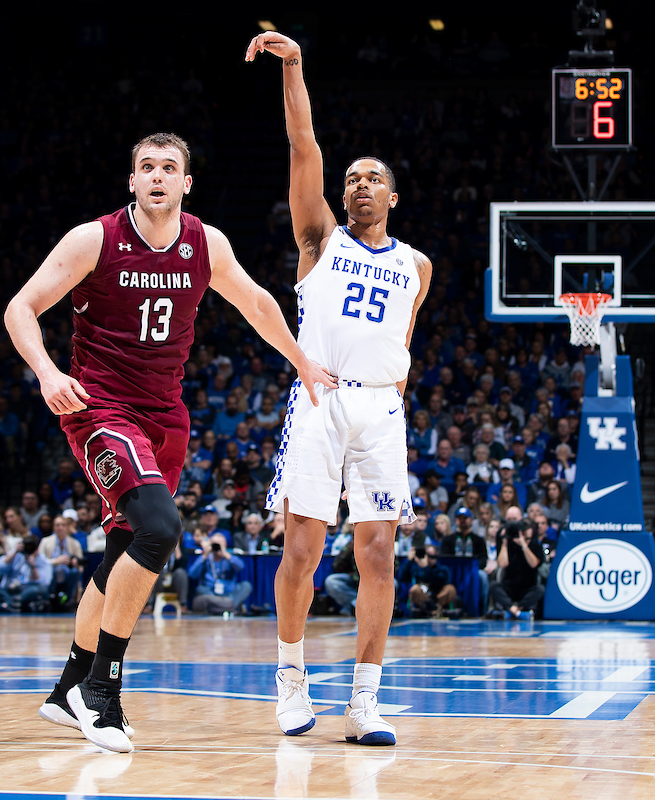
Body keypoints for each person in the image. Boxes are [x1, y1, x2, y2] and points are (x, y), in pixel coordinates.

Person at [5, 131, 331, 754]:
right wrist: (49, 373)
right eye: (146, 167)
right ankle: (103, 692)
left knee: (125, 549)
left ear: (186, 183)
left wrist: (301, 361)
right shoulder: (94, 239)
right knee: (159, 528)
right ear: (132, 181)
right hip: (100, 408)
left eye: (169, 168)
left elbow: (257, 302)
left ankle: (69, 684)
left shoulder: (206, 244)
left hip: (165, 416)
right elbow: (20, 308)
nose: (157, 176)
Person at [247, 31, 433, 746]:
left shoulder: (417, 265)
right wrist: (294, 66)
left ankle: (364, 702)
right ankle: (291, 682)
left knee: (379, 553)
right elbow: (303, 147)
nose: (358, 184)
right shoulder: (320, 238)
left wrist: (392, 395)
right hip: (321, 398)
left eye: (371, 178)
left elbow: (403, 346)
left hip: (382, 406)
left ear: (392, 194)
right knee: (302, 551)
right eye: (352, 177)